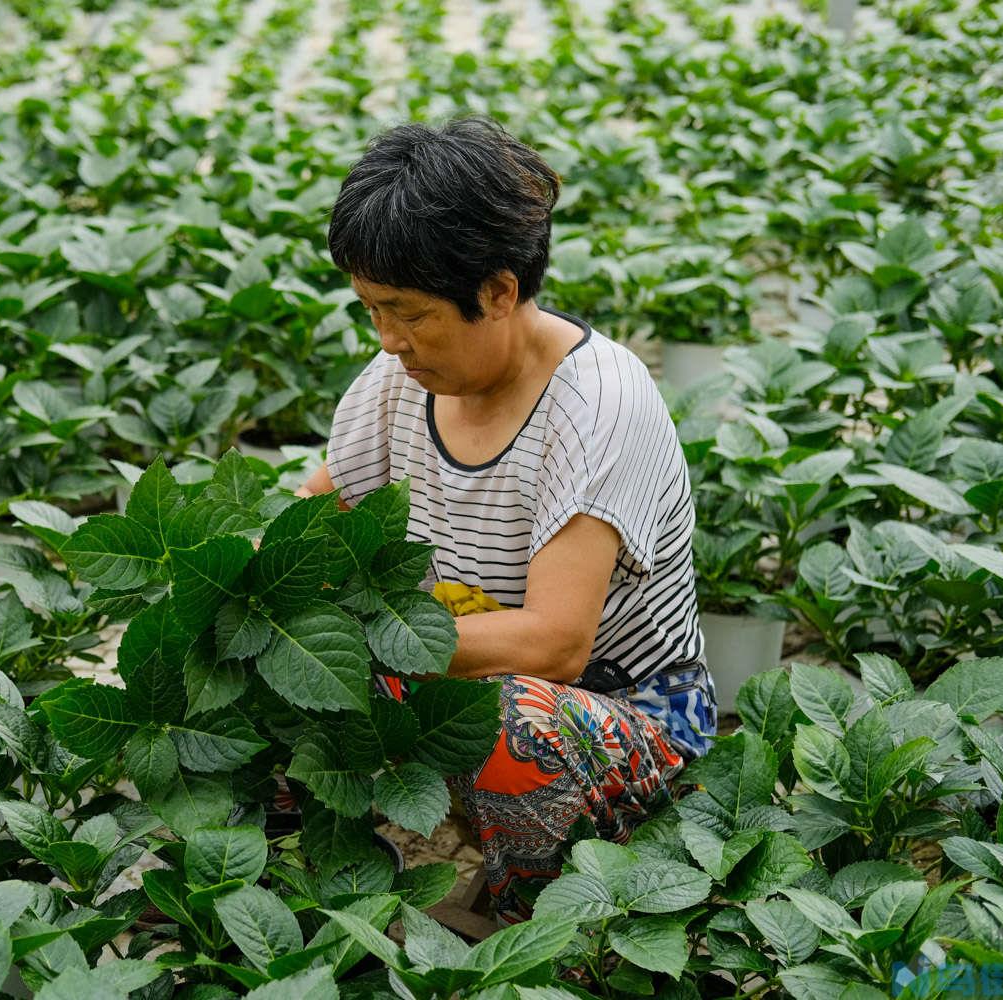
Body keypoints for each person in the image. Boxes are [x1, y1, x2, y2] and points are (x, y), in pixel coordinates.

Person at [294, 116, 717, 924]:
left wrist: (355, 638)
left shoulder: (598, 403)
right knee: (273, 667)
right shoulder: (396, 384)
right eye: (371, 311)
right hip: (450, 674)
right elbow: (310, 523)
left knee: (509, 725)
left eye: (409, 313)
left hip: (616, 711)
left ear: (499, 290)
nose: (388, 341)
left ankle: (532, 931)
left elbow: (555, 644)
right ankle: (323, 892)